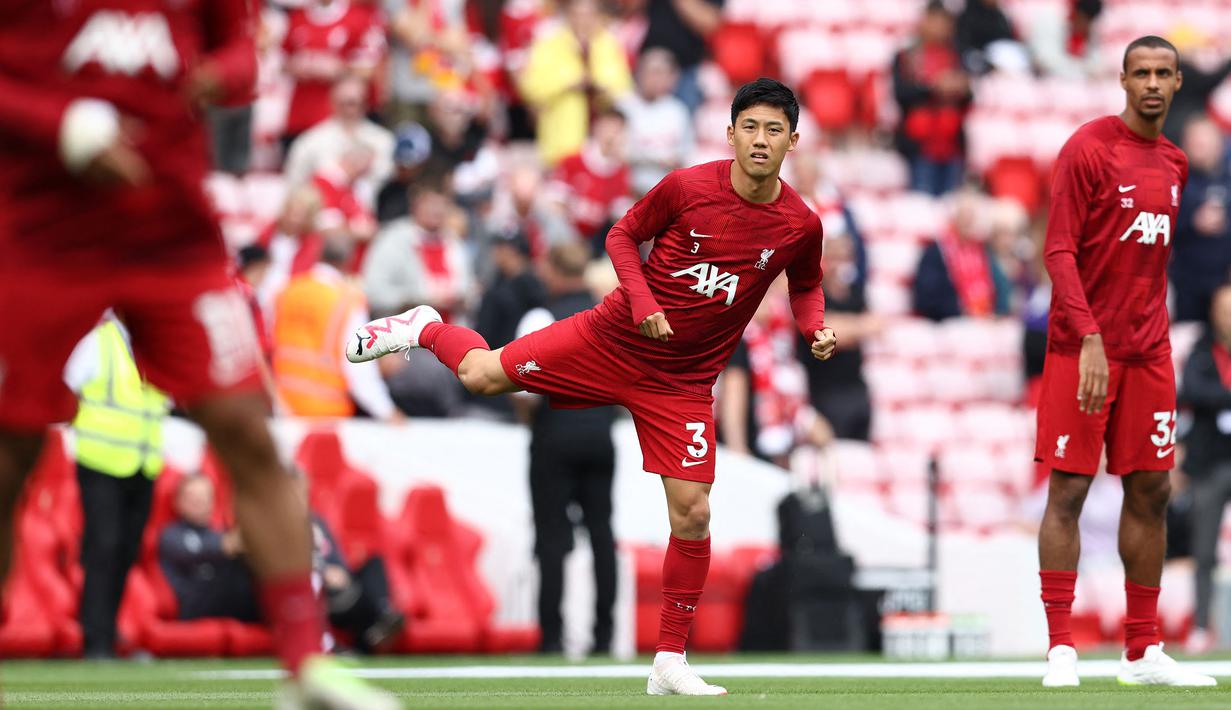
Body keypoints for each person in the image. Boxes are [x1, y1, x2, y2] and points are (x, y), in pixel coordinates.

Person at [348, 77, 836, 695]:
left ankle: (669, 661)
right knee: (480, 375)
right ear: (730, 133)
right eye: (750, 127)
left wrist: (814, 327)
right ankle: (425, 326)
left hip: (683, 381)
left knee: (693, 513)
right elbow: (620, 236)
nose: (760, 140)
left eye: (773, 130)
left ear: (793, 140)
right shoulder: (687, 187)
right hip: (611, 339)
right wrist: (643, 301)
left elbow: (806, 284)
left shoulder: (800, 224)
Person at [0, 2, 396, 706]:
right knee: (8, 457)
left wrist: (211, 75)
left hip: (173, 232)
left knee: (248, 431)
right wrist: (60, 123)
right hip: (41, 232)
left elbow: (241, 56)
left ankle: (305, 668)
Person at [1034, 36, 1213, 688]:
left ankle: (1141, 652)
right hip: (1080, 349)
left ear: (1176, 82)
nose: (1152, 83)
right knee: (1069, 490)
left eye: (1163, 73)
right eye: (1141, 72)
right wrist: (1087, 337)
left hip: (1149, 353)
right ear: (1122, 79)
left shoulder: (1174, 161)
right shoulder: (1087, 149)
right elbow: (1058, 251)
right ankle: (1061, 648)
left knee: (1153, 491)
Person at [513, 243, 617, 655]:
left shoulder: (540, 317)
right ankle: (604, 637)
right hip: (600, 434)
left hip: (554, 435)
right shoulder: (608, 315)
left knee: (552, 539)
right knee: (602, 536)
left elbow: (524, 390)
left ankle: (552, 638)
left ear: (554, 271)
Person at [66, 319, 170, 658]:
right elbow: (68, 386)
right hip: (100, 459)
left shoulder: (154, 341)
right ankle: (94, 639)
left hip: (143, 461)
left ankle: (107, 631)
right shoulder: (98, 340)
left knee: (127, 549)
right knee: (103, 547)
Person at [272, 237, 400, 421]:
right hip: (326, 410)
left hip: (283, 406)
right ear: (349, 260)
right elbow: (359, 367)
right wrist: (387, 412)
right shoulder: (348, 301)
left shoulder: (288, 290)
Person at [518, 0, 633, 166]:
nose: (583, 20)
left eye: (588, 15)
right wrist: (567, 85)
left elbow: (623, 85)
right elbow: (531, 86)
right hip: (562, 132)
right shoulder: (550, 44)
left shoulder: (608, 43)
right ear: (568, 16)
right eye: (578, 15)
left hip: (601, 131)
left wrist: (601, 87)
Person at [1179, 284, 1231, 654]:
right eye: (1224, 309)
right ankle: (1200, 625)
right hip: (1209, 462)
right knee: (1204, 548)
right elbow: (1192, 391)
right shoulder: (1201, 348)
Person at [891, 1, 972, 196]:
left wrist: (960, 88)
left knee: (950, 203)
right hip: (919, 145)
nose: (940, 27)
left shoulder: (956, 55)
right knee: (921, 205)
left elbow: (968, 98)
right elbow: (901, 94)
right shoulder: (906, 55)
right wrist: (933, 88)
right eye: (935, 21)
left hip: (951, 145)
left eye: (944, 21)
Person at [159, 475, 262, 624]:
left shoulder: (218, 533)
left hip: (229, 603)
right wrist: (232, 544)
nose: (198, 501)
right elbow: (196, 552)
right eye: (191, 496)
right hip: (194, 605)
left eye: (204, 497)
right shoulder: (171, 535)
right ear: (177, 501)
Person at [912, 190, 1011, 321]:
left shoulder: (983, 250)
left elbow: (1000, 286)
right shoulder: (937, 251)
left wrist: (998, 312)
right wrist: (961, 311)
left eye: (971, 217)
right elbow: (927, 296)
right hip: (951, 320)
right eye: (964, 216)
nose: (968, 221)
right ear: (954, 218)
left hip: (985, 318)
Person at [1171, 116, 1231, 323]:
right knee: (1188, 332)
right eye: (1196, 144)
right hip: (1187, 282)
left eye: (1206, 143)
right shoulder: (1174, 181)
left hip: (1224, 282)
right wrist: (1192, 222)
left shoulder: (1227, 179)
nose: (1201, 150)